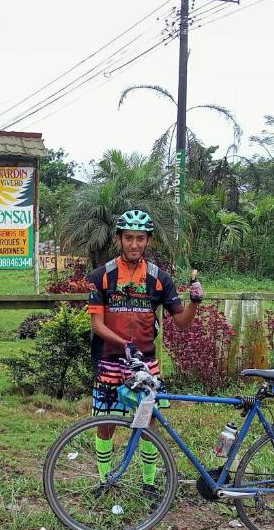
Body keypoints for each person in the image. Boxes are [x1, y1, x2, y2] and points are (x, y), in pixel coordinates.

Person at [86, 209, 203, 493]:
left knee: (149, 424)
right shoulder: (101, 276)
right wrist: (124, 344)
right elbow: (97, 325)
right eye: (129, 238)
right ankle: (105, 481)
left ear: (148, 241)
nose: (134, 244)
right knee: (105, 424)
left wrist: (195, 301)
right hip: (110, 361)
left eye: (140, 238)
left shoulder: (160, 279)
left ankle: (148, 484)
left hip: (146, 364)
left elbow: (182, 323)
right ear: (119, 239)